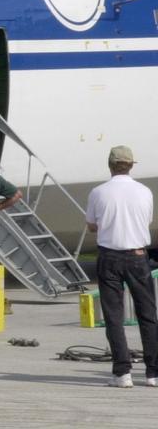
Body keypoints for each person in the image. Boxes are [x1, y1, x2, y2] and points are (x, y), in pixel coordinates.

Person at [84, 145, 157, 388]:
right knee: (147, 315)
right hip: (137, 256)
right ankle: (153, 373)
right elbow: (146, 220)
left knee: (114, 316)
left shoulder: (98, 192)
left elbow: (92, 225)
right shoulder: (145, 191)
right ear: (131, 165)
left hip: (109, 257)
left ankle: (122, 373)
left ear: (110, 165)